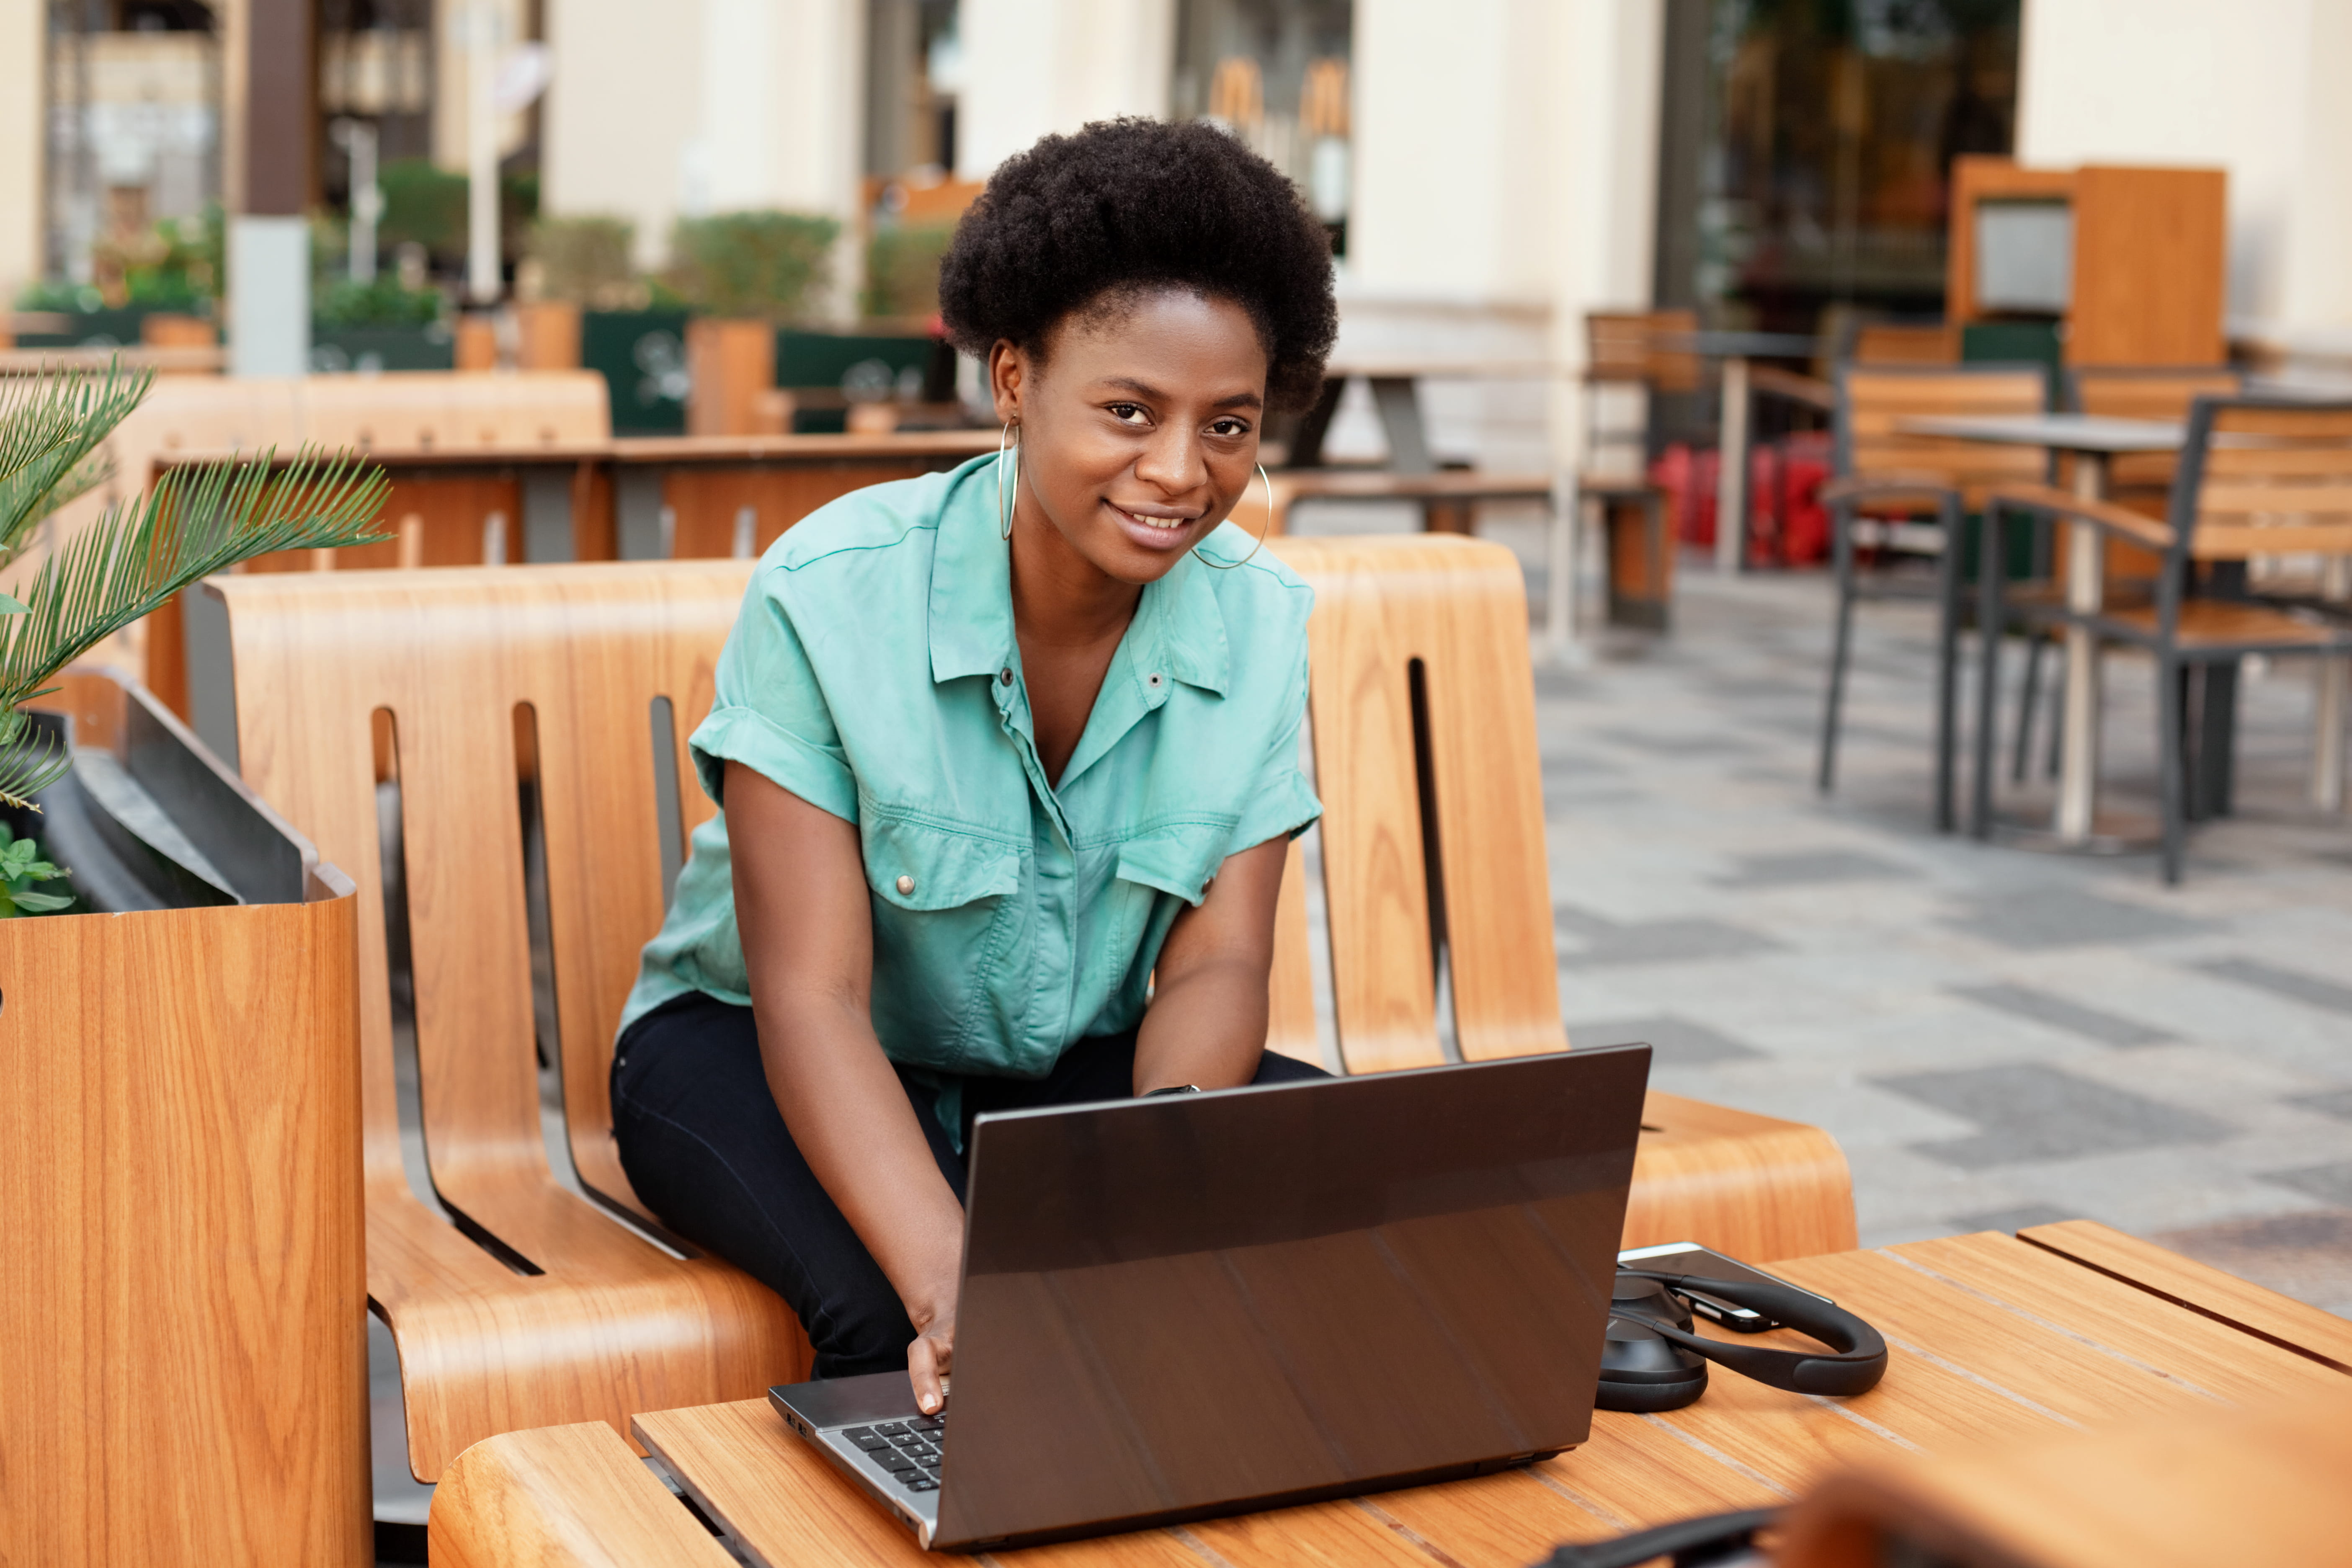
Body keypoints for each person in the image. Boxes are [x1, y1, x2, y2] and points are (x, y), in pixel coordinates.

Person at [609, 118, 1341, 1415]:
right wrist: (956, 1282)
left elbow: (1221, 962)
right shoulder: (831, 596)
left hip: (1066, 1067)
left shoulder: (1262, 620)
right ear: (1013, 380)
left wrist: (1143, 1189)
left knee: (1303, 1204)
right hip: (759, 1046)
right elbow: (813, 996)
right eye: (1128, 411)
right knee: (891, 1319)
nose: (1182, 472)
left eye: (1228, 424)